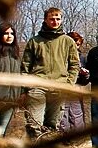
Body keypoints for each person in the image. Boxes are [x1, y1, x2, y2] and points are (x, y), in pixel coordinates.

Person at [20, 7, 80, 138]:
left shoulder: (68, 41)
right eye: (52, 19)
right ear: (45, 20)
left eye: (58, 19)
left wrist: (69, 83)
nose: (55, 21)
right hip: (37, 86)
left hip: (59, 86)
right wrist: (26, 87)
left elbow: (75, 65)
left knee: (52, 125)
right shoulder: (34, 41)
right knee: (34, 123)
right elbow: (25, 66)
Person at [58, 31, 90, 133]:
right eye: (73, 43)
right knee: (63, 117)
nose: (75, 46)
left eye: (78, 44)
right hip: (61, 89)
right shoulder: (59, 57)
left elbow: (85, 81)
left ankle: (77, 140)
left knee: (77, 116)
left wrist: (85, 75)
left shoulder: (82, 58)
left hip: (76, 89)